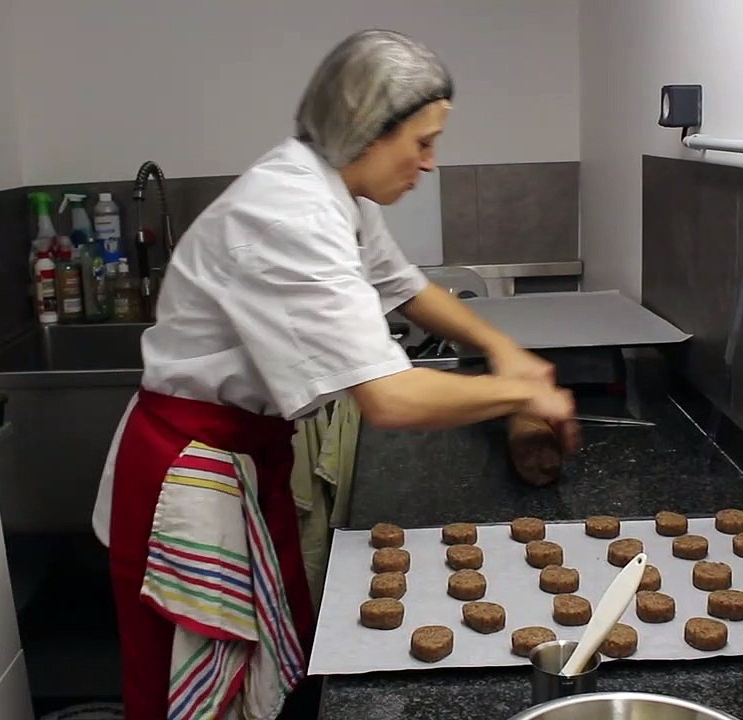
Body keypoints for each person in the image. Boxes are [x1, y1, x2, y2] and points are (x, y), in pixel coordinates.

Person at [91, 28, 580, 720]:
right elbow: (388, 397)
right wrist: (525, 392)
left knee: (273, 657)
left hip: (246, 457)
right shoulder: (287, 210)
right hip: (186, 477)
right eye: (421, 142)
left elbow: (405, 286)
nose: (431, 163)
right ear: (364, 130)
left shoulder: (337, 192)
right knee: (184, 692)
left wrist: (500, 346)